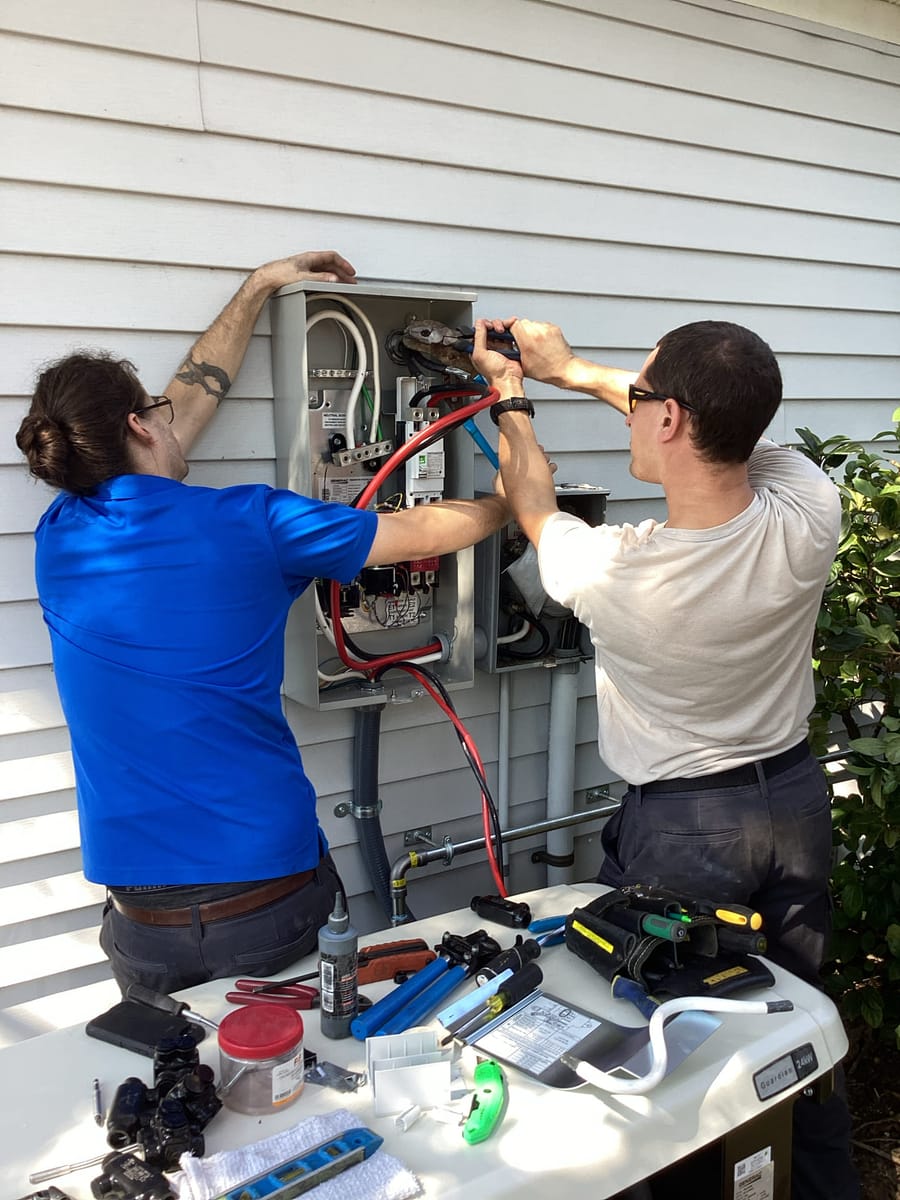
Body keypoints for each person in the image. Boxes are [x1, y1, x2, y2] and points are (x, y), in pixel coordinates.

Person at [15, 250, 510, 996]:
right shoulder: (254, 522)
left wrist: (257, 291)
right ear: (140, 426)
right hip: (268, 899)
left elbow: (188, 399)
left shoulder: (58, 536)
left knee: (184, 1099)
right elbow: (425, 532)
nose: (173, 416)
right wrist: (515, 502)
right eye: (158, 412)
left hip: (141, 923)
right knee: (303, 1078)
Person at [472, 316, 858, 1200]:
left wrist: (516, 396)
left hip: (688, 833)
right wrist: (574, 368)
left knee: (677, 1059)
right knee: (795, 1029)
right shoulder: (809, 509)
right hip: (793, 803)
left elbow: (533, 501)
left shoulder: (620, 572)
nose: (630, 411)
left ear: (672, 421)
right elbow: (726, 430)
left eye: (641, 401)